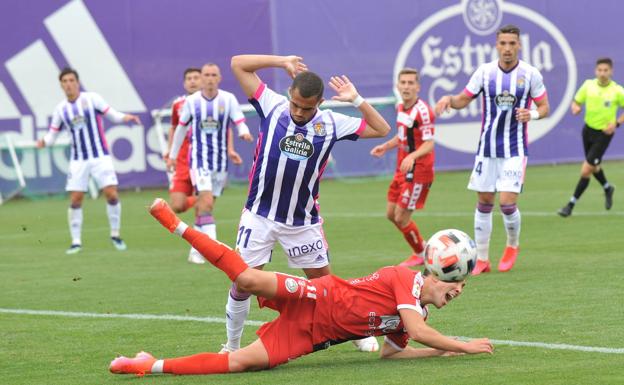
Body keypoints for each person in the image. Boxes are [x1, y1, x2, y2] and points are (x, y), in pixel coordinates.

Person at [109, 199, 494, 377]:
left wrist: (440, 356)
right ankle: (176, 224)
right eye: (457, 282)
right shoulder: (404, 278)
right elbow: (418, 331)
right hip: (317, 295)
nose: (458, 290)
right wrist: (463, 344)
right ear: (434, 274)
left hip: (312, 334)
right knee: (245, 278)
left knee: (242, 364)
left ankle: (148, 365)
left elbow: (392, 356)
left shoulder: (416, 314)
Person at [221, 54, 392, 353]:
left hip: (302, 223)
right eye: (295, 104)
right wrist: (281, 62)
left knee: (327, 287)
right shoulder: (271, 105)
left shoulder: (332, 122)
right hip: (259, 216)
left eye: (307, 107)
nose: (300, 112)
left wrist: (356, 99)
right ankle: (232, 346)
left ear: (321, 102)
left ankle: (356, 331)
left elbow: (381, 129)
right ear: (289, 95)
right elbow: (238, 63)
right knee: (242, 283)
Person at [434, 24, 550, 275]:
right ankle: (483, 260)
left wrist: (530, 113)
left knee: (507, 203)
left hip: (515, 149)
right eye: (503, 43)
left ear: (519, 45)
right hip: (486, 149)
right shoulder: (485, 72)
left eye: (512, 44)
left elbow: (544, 107)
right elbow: (464, 99)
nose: (507, 48)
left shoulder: (530, 74)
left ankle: (512, 245)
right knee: (484, 201)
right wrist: (449, 100)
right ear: (496, 45)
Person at [36, 67, 141, 254]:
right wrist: (43, 142)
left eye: (71, 80)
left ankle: (115, 235)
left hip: (100, 156)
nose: (68, 84)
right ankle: (76, 241)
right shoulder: (61, 109)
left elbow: (112, 114)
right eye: (65, 81)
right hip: (78, 160)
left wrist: (127, 117)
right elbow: (52, 135)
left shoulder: (92, 99)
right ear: (61, 85)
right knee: (76, 199)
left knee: (112, 194)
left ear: (77, 82)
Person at [167, 63, 253, 256]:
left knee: (206, 206)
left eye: (214, 75)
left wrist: (244, 132)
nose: (210, 78)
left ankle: (196, 252)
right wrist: (172, 156)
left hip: (220, 162)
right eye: (206, 75)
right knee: (205, 203)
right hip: (199, 160)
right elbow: (180, 129)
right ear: (202, 78)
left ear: (219, 78)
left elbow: (238, 120)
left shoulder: (228, 99)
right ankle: (215, 249)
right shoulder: (192, 102)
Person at [371, 67, 435, 267]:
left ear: (418, 87)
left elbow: (429, 143)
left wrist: (413, 157)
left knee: (401, 216)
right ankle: (422, 250)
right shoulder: (400, 107)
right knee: (391, 214)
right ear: (398, 85)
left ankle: (422, 253)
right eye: (403, 83)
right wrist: (386, 146)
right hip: (402, 169)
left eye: (410, 83)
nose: (406, 87)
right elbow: (402, 136)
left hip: (418, 171)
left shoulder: (423, 111)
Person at [558, 57, 624, 217]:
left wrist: (616, 124)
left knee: (586, 168)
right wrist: (575, 108)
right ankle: (608, 187)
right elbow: (576, 101)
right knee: (593, 165)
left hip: (604, 134)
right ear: (596, 71)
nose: (602, 73)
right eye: (600, 70)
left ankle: (570, 205)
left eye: (605, 70)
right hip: (587, 131)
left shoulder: (617, 91)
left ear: (611, 71)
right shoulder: (588, 85)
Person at [162, 67, 204, 263]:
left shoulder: (208, 103)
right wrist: (170, 153)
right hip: (181, 162)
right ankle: (200, 198)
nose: (193, 81)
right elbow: (173, 129)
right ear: (184, 83)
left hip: (202, 161)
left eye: (196, 77)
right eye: (189, 78)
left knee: (202, 211)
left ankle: (198, 250)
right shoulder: (178, 105)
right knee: (177, 206)